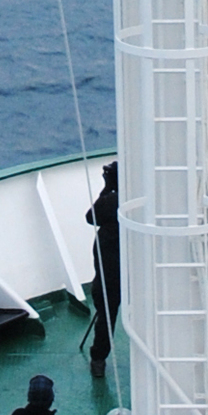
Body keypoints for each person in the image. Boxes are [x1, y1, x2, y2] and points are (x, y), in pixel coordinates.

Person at [86, 160, 122, 376]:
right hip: (125, 268)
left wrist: (108, 188)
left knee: (106, 314)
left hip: (110, 272)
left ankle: (98, 358)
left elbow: (91, 216)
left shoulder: (113, 201)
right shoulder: (129, 200)